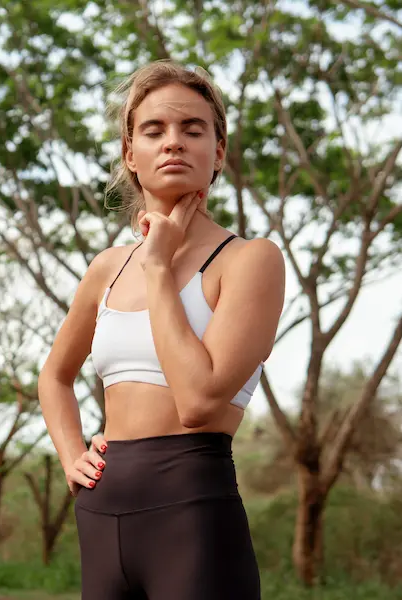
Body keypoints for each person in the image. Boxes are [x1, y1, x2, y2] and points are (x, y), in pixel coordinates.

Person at [37, 60, 286, 599]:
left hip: (192, 514)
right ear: (131, 154)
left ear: (217, 152)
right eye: (154, 130)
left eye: (192, 129)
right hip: (101, 512)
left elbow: (197, 402)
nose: (173, 142)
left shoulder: (249, 261)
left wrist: (157, 266)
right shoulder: (107, 267)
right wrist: (70, 455)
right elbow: (55, 377)